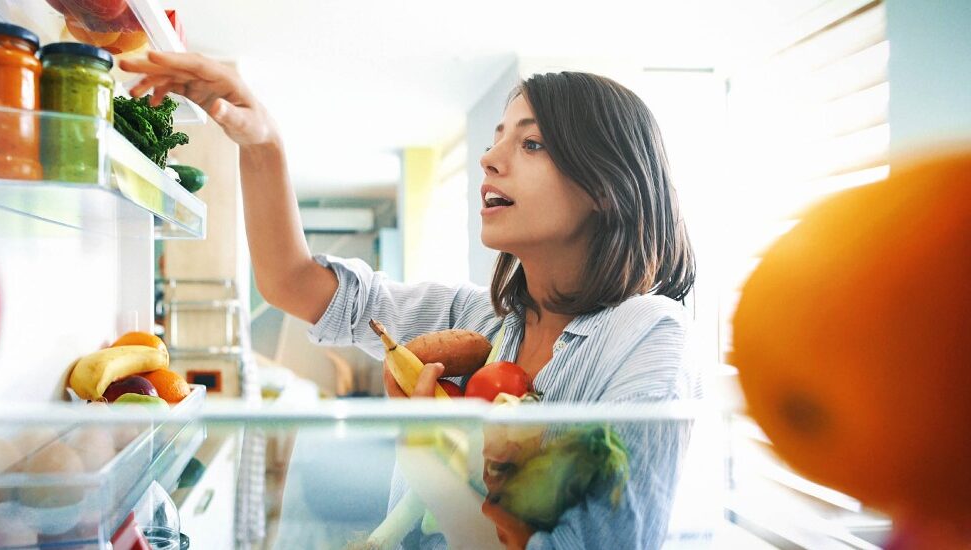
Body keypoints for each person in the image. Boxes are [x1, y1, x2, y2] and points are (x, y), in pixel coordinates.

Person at [121, 52, 697, 550]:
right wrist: (262, 140)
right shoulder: (476, 322)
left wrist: (428, 454)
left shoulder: (648, 334)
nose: (490, 158)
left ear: (604, 185)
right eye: (497, 136)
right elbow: (292, 282)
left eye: (531, 142)